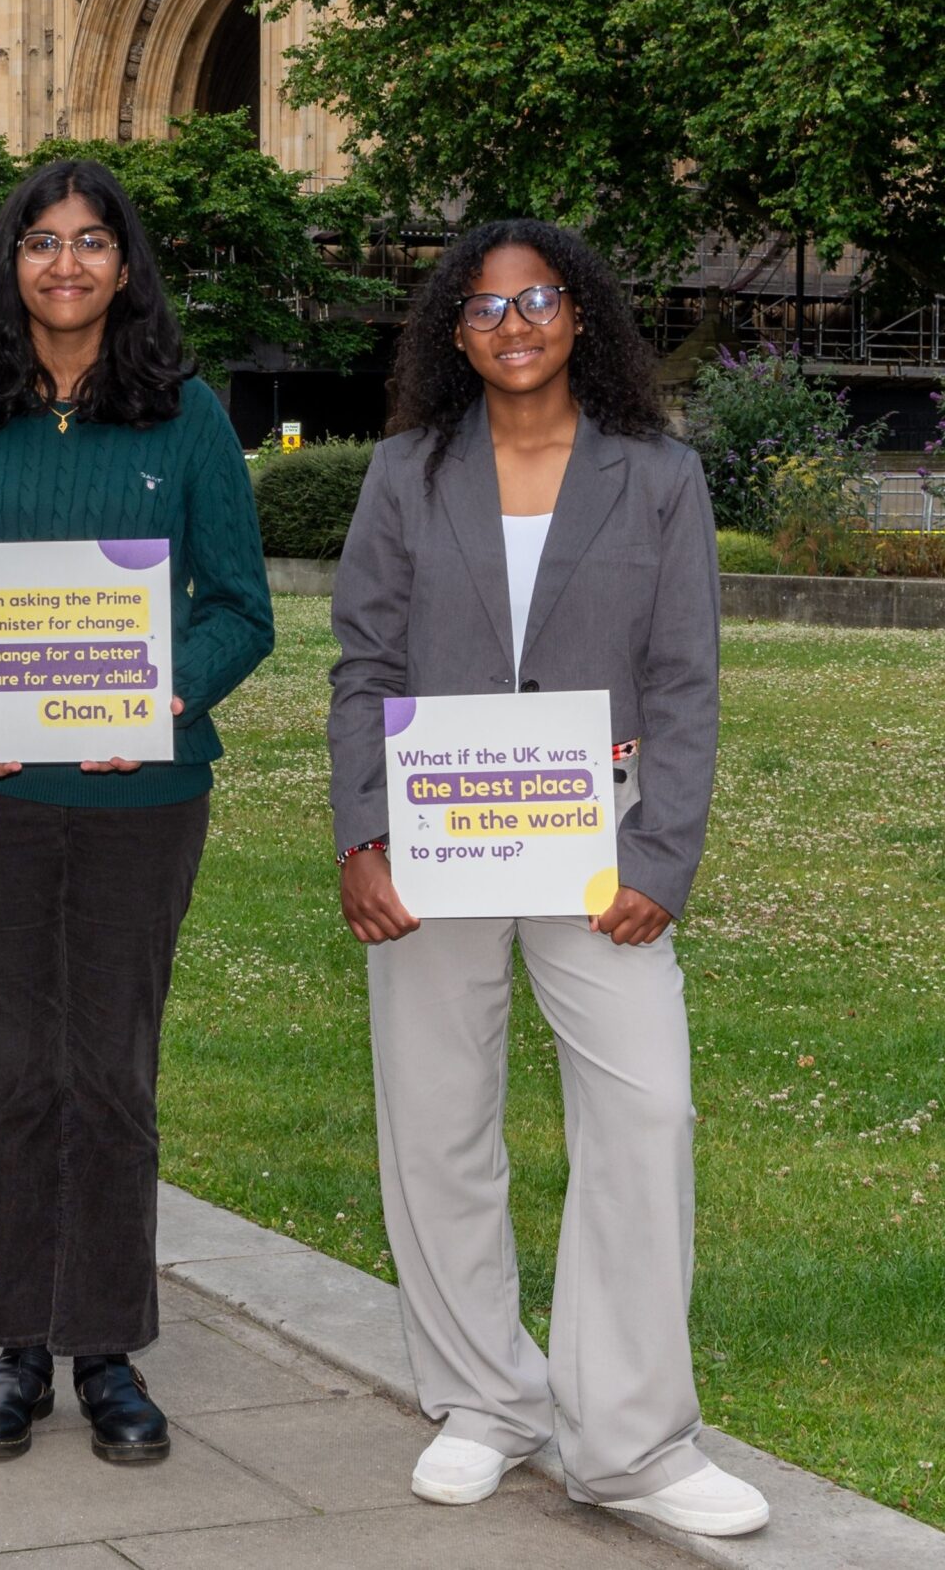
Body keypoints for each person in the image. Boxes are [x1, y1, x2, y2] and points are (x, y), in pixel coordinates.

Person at [326, 219, 769, 1536]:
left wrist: (661, 855)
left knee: (649, 1113)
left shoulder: (658, 475)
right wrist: (363, 830)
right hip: (433, 836)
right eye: (483, 305)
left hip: (601, 839)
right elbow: (364, 661)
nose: (512, 323)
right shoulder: (407, 472)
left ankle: (631, 1435)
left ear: (581, 313)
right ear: (451, 332)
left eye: (537, 299)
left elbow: (686, 679)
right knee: (437, 1119)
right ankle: (486, 1396)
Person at [0, 159, 273, 1463]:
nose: (66, 264)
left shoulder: (187, 417)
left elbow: (238, 611)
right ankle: (16, 1348)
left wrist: (157, 704)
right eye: (42, 242)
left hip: (139, 798)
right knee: (13, 1070)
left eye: (92, 242)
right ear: (11, 263)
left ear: (125, 264)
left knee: (110, 1070)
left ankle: (107, 1348)